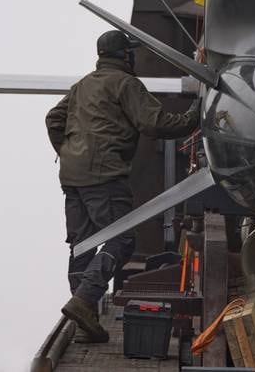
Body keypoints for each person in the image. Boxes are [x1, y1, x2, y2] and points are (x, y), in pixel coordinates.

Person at [45, 30, 199, 342]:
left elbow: (53, 119)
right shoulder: (126, 84)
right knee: (123, 239)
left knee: (82, 243)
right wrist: (196, 115)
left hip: (72, 176)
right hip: (104, 176)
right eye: (131, 52)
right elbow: (154, 123)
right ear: (124, 55)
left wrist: (68, 151)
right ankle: (84, 300)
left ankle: (84, 317)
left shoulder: (83, 85)